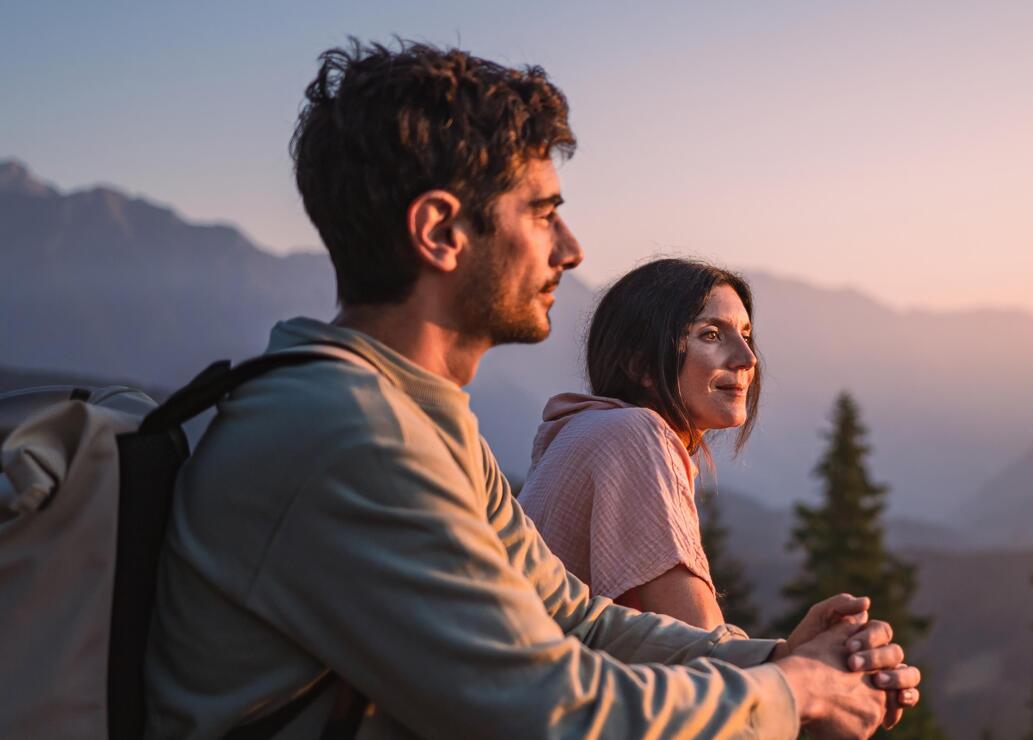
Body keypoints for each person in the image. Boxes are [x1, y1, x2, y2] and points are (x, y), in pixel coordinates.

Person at [144, 40, 920, 739]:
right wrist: (792, 695)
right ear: (442, 232)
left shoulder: (416, 421)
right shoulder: (348, 436)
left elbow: (574, 620)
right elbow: (545, 710)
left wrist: (778, 657)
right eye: (544, 213)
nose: (573, 249)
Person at [519, 258, 764, 630]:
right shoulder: (634, 435)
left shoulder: (593, 431)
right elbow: (700, 640)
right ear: (641, 366)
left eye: (745, 335)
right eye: (711, 334)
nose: (747, 358)